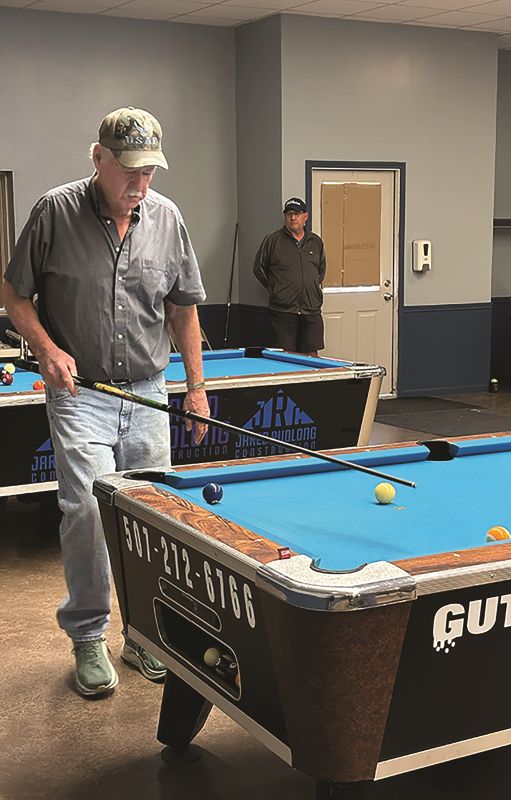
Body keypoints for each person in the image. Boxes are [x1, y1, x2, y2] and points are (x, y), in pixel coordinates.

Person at [2, 106, 209, 697]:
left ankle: (145, 633)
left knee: (152, 518)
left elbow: (183, 309)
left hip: (148, 394)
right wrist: (44, 347)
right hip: (80, 393)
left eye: (149, 173)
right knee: (89, 513)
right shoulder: (53, 212)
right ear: (98, 159)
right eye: (128, 172)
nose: (139, 186)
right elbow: (15, 295)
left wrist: (195, 387)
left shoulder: (168, 219)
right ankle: (88, 635)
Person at [253, 197, 326, 356]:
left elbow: (320, 271)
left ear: (305, 216)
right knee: (285, 356)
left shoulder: (315, 241)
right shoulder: (273, 240)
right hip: (283, 311)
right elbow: (259, 269)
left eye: (297, 214)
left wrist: (309, 287)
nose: (293, 218)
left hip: (311, 310)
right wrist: (276, 289)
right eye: (289, 214)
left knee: (312, 357)